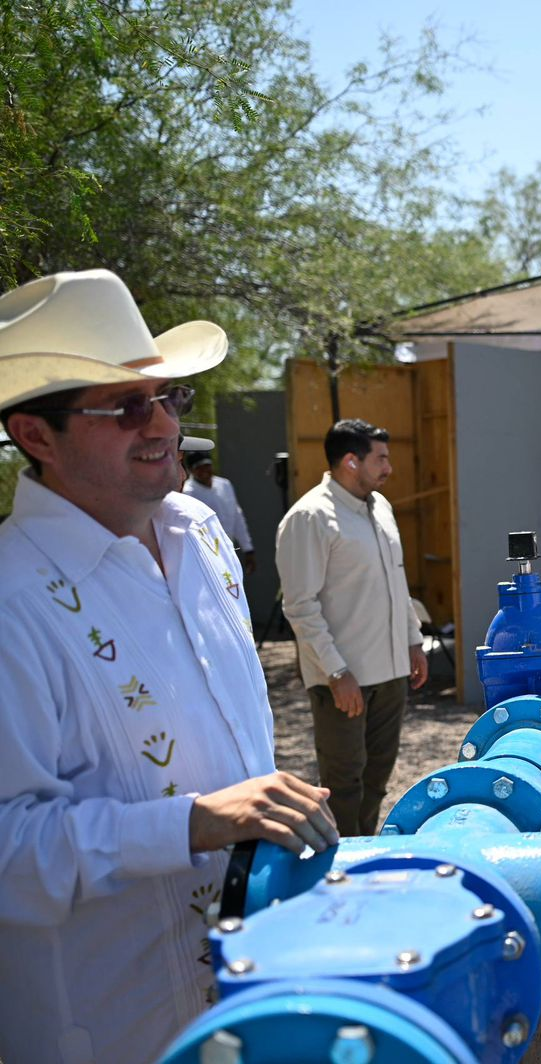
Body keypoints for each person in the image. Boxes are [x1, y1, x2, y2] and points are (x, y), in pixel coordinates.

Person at [0, 268, 337, 1064]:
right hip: (106, 1028)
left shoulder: (199, 532)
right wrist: (194, 822)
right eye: (123, 407)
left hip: (252, 996)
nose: (161, 424)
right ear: (35, 436)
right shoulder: (12, 604)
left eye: (168, 398)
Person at [276, 418, 428, 836]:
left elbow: (396, 581)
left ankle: (366, 852)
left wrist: (413, 640)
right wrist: (336, 672)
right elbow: (300, 605)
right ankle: (342, 865)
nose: (389, 468)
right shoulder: (309, 517)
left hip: (391, 671)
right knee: (344, 783)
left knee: (377, 778)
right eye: (380, 459)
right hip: (344, 680)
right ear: (349, 461)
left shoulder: (381, 507)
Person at [181, 450, 256, 574]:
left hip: (228, 552)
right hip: (203, 556)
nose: (204, 470)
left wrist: (248, 549)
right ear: (191, 471)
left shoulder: (224, 485)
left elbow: (237, 517)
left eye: (207, 465)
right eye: (198, 467)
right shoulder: (187, 492)